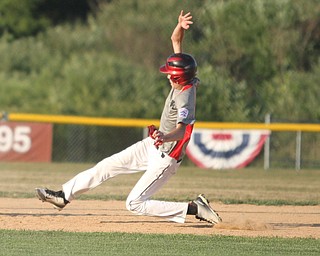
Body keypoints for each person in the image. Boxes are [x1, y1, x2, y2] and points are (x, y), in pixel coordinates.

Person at [36, 10, 222, 225]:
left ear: (178, 77)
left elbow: (182, 131)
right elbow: (175, 41)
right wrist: (180, 26)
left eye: (170, 73)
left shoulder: (185, 99)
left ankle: (195, 208)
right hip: (153, 146)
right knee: (106, 166)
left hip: (166, 157)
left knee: (134, 203)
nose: (167, 75)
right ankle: (63, 196)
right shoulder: (186, 77)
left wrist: (164, 135)